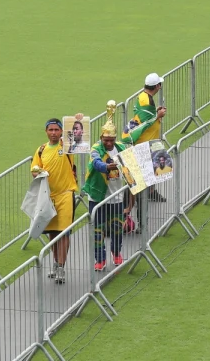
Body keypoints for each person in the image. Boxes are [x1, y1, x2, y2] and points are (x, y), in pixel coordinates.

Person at [31, 118, 79, 283]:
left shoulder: (66, 146)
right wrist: (39, 173)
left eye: (56, 130)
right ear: (46, 131)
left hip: (66, 194)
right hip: (48, 197)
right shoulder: (41, 150)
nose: (53, 133)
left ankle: (61, 267)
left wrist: (77, 120)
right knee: (52, 233)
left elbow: (80, 136)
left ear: (61, 131)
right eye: (50, 130)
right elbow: (34, 171)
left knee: (63, 232)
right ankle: (55, 262)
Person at [83, 116, 132, 271]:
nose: (109, 143)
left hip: (116, 197)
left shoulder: (122, 149)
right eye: (106, 140)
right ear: (101, 138)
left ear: (115, 138)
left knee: (117, 228)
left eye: (111, 140)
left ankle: (116, 252)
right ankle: (100, 258)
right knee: (97, 230)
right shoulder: (96, 149)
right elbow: (97, 163)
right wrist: (107, 167)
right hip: (97, 197)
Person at [124, 73, 168, 202]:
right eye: (160, 85)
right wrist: (158, 115)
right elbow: (144, 122)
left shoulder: (146, 98)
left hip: (150, 140)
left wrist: (155, 112)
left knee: (153, 169)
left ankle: (150, 193)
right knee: (139, 173)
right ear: (157, 86)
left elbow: (146, 117)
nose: (160, 87)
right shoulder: (146, 101)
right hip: (144, 142)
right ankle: (129, 199)